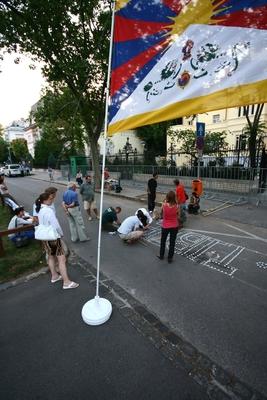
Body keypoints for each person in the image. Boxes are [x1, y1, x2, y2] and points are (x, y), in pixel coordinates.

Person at [35, 192, 79, 289]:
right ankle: (66, 282)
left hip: (44, 237)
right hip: (53, 237)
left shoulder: (40, 210)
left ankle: (54, 276)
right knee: (61, 260)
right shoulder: (48, 210)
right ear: (45, 200)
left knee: (51, 256)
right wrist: (61, 233)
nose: (52, 200)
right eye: (50, 199)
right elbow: (56, 226)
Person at [157, 191, 180, 263]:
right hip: (174, 226)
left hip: (165, 226)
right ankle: (170, 258)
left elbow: (161, 215)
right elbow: (178, 216)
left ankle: (161, 255)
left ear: (167, 197)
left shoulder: (164, 205)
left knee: (163, 241)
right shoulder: (177, 206)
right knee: (172, 242)